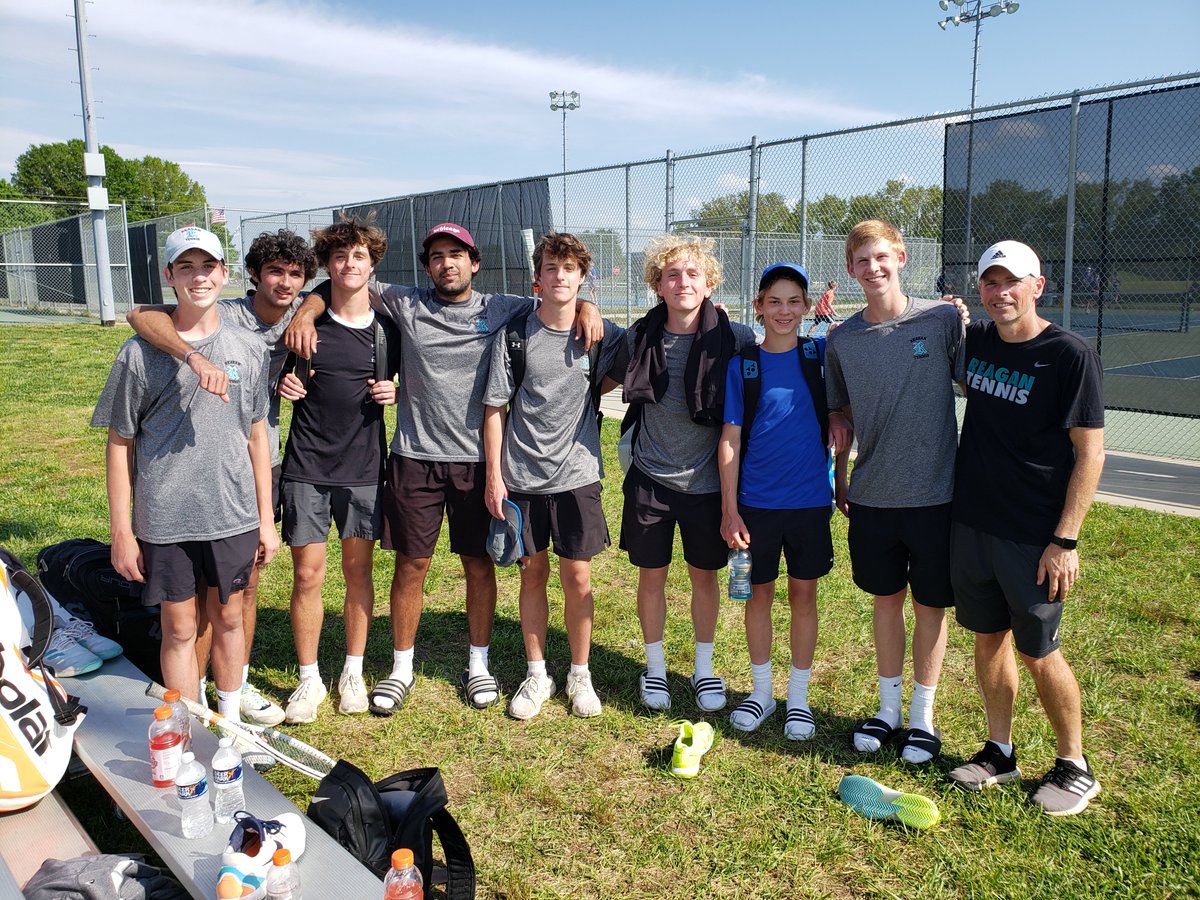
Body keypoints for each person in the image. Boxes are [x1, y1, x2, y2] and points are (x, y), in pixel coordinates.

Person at [283, 222, 602, 715]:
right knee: (411, 564)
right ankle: (401, 667)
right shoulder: (406, 303)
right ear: (427, 266)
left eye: (456, 254)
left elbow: (557, 296)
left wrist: (589, 306)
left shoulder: (502, 308)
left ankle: (479, 664)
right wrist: (306, 310)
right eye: (436, 256)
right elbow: (343, 282)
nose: (446, 263)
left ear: (474, 263)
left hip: (478, 462)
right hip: (415, 458)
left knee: (478, 564)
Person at [126, 229, 318, 726]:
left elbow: (326, 295)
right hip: (182, 477)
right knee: (187, 612)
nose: (284, 282)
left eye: (295, 274)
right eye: (274, 271)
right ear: (250, 275)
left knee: (239, 593)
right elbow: (140, 315)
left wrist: (306, 316)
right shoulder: (226, 312)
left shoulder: (296, 313)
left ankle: (235, 688)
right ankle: (193, 704)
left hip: (249, 464)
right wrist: (192, 355)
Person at [92, 225, 278, 718]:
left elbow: (256, 435)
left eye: (208, 266)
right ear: (168, 276)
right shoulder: (138, 353)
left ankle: (231, 725)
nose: (199, 277)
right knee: (178, 628)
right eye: (186, 267)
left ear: (225, 273)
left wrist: (266, 519)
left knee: (230, 618)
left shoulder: (248, 347)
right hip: (166, 518)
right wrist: (121, 531)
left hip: (233, 513)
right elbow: (119, 444)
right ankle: (188, 728)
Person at [947, 240, 1105, 816]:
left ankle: (1075, 764)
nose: (1000, 293)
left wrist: (1065, 539)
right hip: (973, 523)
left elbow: (1090, 454)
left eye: (1011, 281)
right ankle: (1000, 751)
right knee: (988, 639)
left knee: (1040, 651)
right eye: (990, 283)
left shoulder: (1069, 354)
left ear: (1038, 286)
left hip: (1033, 535)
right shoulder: (976, 341)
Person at [824, 219, 965, 765]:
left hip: (937, 496)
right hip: (873, 497)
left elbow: (973, 379)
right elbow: (840, 412)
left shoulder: (942, 319)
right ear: (850, 269)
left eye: (881, 256)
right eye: (862, 260)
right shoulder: (841, 340)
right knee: (886, 603)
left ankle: (923, 718)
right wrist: (841, 473)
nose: (873, 267)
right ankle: (888, 711)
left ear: (901, 258)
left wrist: (967, 318)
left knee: (930, 607)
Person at [610, 234, 757, 714]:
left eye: (693, 273)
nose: (683, 282)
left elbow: (778, 358)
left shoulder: (735, 339)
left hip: (709, 485)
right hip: (650, 479)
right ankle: (654, 669)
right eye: (672, 274)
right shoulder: (639, 337)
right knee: (651, 578)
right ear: (658, 285)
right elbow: (598, 364)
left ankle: (704, 669)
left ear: (710, 283)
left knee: (704, 579)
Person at [482, 232, 624, 720]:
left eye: (569, 268)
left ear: (582, 277)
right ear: (537, 278)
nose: (559, 275)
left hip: (578, 475)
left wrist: (590, 309)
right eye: (550, 267)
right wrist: (495, 477)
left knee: (578, 578)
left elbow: (639, 351)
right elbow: (495, 408)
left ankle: (580, 674)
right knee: (533, 574)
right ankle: (537, 672)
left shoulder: (602, 334)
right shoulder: (515, 336)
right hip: (522, 476)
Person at [275, 218, 399, 723]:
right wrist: (283, 384)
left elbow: (414, 384)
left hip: (364, 469)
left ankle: (353, 670)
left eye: (360, 256)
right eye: (340, 256)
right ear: (327, 265)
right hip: (306, 466)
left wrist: (395, 391)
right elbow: (269, 376)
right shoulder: (302, 325)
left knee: (358, 572)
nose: (350, 264)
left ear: (373, 265)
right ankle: (309, 679)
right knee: (307, 574)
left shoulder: (388, 329)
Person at [718, 262, 850, 737]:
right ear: (758, 306)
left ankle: (797, 698)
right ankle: (761, 693)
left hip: (809, 503)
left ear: (808, 306)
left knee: (803, 596)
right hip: (756, 505)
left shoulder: (820, 356)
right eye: (774, 301)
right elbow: (730, 439)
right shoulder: (744, 365)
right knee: (757, 596)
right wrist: (729, 509)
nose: (784, 310)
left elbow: (842, 411)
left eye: (794, 301)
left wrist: (838, 424)